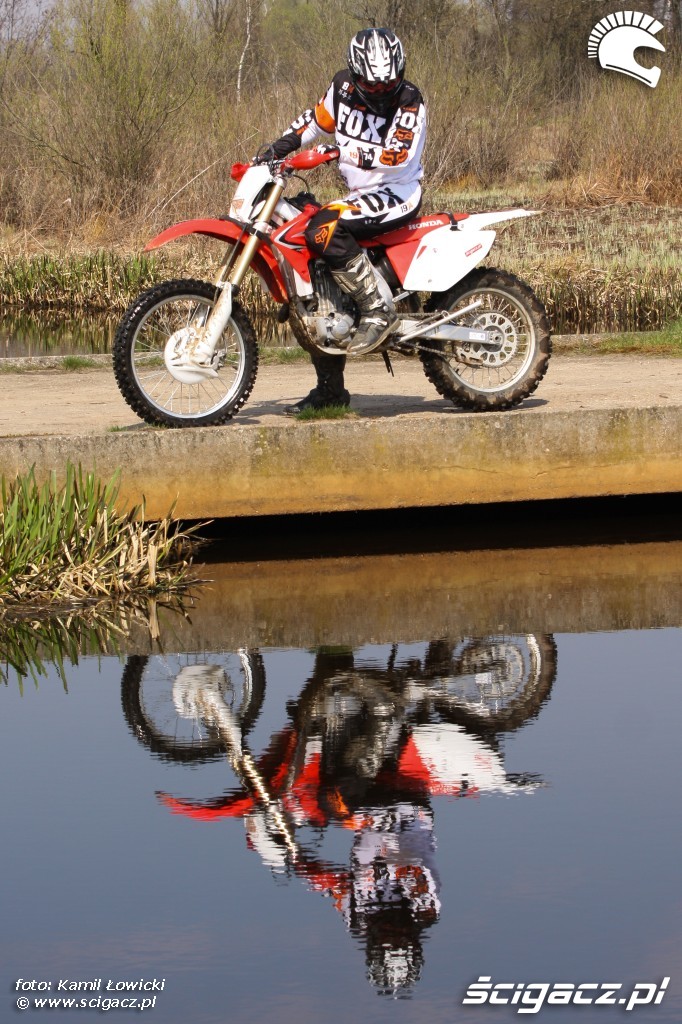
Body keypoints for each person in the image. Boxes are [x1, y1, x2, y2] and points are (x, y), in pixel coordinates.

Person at [260, 28, 427, 414]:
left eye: (388, 83)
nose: (381, 90)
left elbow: (397, 156)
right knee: (313, 271)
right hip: (360, 195)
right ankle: (330, 391)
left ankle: (377, 309)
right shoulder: (343, 88)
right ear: (355, 73)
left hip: (398, 193)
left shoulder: (409, 100)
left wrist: (339, 151)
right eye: (372, 84)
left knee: (323, 228)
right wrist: (276, 149)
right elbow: (312, 123)